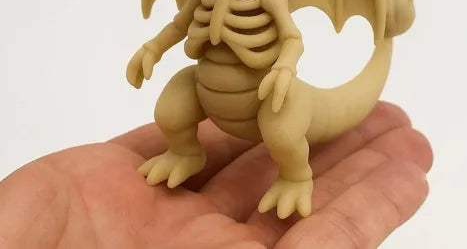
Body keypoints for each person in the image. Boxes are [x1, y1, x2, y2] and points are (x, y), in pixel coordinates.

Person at [0, 102, 432, 248]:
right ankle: (185, 151)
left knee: (282, 128)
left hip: (268, 95)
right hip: (207, 88)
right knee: (173, 108)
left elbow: (290, 38)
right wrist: (155, 48)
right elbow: (182, 24)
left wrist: (282, 68)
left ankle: (296, 176)